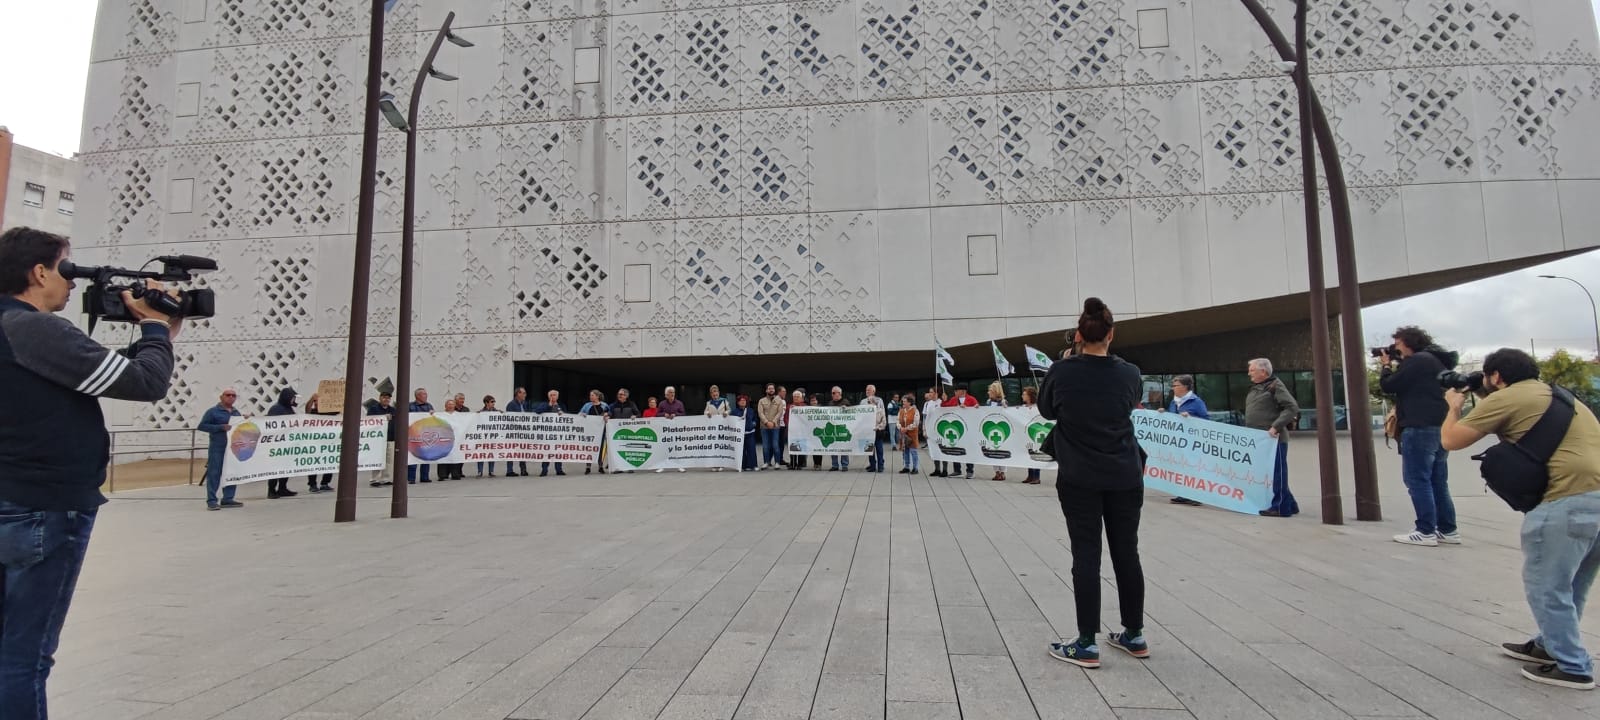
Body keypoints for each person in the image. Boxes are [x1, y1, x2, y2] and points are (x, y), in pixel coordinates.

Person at [0, 226, 178, 716]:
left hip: (12, 497)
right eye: (67, 268)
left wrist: (156, 337)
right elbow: (145, 383)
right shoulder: (32, 328)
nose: (73, 283)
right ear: (39, 272)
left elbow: (91, 372)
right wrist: (157, 331)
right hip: (42, 507)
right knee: (23, 657)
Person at [1442, 348, 1600, 691]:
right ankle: (1549, 644)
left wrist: (1454, 407)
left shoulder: (1509, 397)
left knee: (1546, 585)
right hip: (1595, 499)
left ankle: (1573, 666)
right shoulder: (1559, 396)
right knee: (1573, 584)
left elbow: (1451, 440)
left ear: (1496, 376)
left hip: (1565, 501)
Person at [1039, 298, 1148, 669]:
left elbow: (1046, 409)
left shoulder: (1062, 371)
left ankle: (1086, 642)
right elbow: (1130, 403)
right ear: (1111, 334)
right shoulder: (1130, 373)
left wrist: (1070, 361)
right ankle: (1134, 633)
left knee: (1086, 556)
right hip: (1125, 473)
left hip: (1080, 476)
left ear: (1079, 335)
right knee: (1126, 553)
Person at [1380, 326, 1461, 547]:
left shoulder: (1418, 361)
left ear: (1407, 343)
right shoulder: (1435, 360)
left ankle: (1425, 530)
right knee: (1438, 480)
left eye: (1397, 344)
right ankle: (1448, 529)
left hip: (1419, 426)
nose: (1395, 349)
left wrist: (1386, 366)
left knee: (1417, 479)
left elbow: (1389, 385)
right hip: (1440, 426)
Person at [1245, 359, 1299, 517]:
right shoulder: (1257, 387)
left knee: (1278, 473)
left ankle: (1281, 508)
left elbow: (1292, 407)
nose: (1249, 373)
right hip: (1261, 440)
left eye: (1252, 370)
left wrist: (1276, 426)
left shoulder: (1275, 385)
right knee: (1273, 473)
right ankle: (1291, 504)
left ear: (1263, 371)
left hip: (1274, 440)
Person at [200, 389, 246, 508]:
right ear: (221, 397)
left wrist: (245, 420)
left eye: (233, 395)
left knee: (232, 472)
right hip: (217, 447)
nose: (231, 397)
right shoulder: (212, 412)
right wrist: (220, 427)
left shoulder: (236, 413)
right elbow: (202, 426)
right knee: (214, 473)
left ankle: (228, 498)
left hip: (233, 448)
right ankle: (211, 500)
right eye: (228, 395)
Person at [1165, 375, 1207, 505]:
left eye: (1176, 385)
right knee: (1181, 467)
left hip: (1192, 441)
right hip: (1178, 441)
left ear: (1185, 387)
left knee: (1193, 468)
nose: (1173, 388)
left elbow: (1206, 420)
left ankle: (1197, 496)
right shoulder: (1173, 402)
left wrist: (1191, 417)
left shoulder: (1196, 402)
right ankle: (1183, 494)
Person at [264, 388, 301, 498]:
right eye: (292, 397)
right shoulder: (276, 409)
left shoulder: (288, 408)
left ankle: (282, 488)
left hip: (288, 444)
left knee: (286, 467)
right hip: (277, 445)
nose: (294, 400)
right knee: (275, 468)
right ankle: (271, 490)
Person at [944, 386, 979, 479]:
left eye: (957, 390)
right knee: (955, 448)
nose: (955, 392)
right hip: (956, 428)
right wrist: (944, 400)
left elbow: (977, 410)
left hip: (969, 429)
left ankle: (970, 471)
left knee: (968, 449)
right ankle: (957, 470)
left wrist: (969, 408)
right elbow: (944, 408)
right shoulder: (953, 399)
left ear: (963, 391)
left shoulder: (971, 399)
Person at [303, 393, 335, 493]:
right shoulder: (312, 413)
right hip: (315, 443)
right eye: (315, 402)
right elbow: (307, 410)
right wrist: (311, 399)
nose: (317, 404)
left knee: (329, 462)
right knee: (313, 464)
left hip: (327, 443)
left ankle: (325, 483)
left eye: (318, 401)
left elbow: (340, 409)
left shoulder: (329, 413)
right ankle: (312, 484)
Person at [365, 391, 396, 487]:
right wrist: (382, 417)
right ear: (380, 398)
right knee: (378, 458)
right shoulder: (373, 409)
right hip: (378, 438)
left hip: (390, 437)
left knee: (389, 459)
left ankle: (386, 478)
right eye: (384, 397)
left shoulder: (393, 409)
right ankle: (375, 479)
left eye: (388, 398)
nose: (386, 399)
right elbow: (369, 421)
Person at [408, 388, 435, 484]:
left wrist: (433, 414)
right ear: (418, 396)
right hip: (414, 435)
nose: (426, 396)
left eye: (426, 394)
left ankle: (425, 477)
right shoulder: (410, 406)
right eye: (424, 394)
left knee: (426, 456)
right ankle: (411, 478)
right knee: (413, 457)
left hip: (426, 435)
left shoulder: (429, 406)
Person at [538, 389, 567, 477]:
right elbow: (538, 411)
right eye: (551, 395)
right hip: (547, 433)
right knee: (546, 451)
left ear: (557, 396)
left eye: (554, 395)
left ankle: (559, 469)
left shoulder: (561, 405)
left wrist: (563, 414)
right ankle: (544, 470)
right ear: (548, 396)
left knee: (558, 451)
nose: (553, 397)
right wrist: (549, 405)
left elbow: (568, 417)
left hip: (558, 432)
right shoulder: (544, 404)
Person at [657, 387, 687, 473]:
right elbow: (657, 414)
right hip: (665, 429)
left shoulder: (679, 403)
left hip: (676, 429)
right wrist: (664, 414)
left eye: (673, 392)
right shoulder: (662, 404)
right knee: (664, 448)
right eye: (670, 392)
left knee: (677, 447)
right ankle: (662, 466)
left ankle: (679, 465)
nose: (672, 394)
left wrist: (676, 414)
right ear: (666, 395)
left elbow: (684, 414)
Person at [505, 387, 532, 477]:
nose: (525, 395)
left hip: (523, 431)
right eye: (523, 393)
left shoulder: (524, 404)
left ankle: (523, 470)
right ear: (518, 394)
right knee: (511, 450)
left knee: (522, 450)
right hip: (513, 431)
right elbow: (509, 418)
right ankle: (509, 471)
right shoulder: (511, 404)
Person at [580, 389, 608, 474]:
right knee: (589, 448)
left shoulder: (604, 405)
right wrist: (582, 414)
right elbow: (579, 413)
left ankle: (600, 466)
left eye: (592, 395)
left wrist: (607, 415)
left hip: (601, 430)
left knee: (600, 448)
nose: (590, 397)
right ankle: (588, 467)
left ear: (597, 396)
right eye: (590, 395)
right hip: (590, 430)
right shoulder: (587, 405)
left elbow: (610, 413)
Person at [757, 383, 784, 470]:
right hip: (764, 427)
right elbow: (760, 413)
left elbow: (780, 412)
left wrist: (773, 422)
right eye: (769, 389)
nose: (771, 390)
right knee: (765, 446)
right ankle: (766, 462)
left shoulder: (779, 400)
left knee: (775, 445)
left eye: (772, 389)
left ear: (774, 390)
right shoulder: (761, 401)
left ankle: (777, 462)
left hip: (775, 426)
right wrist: (766, 422)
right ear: (766, 390)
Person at [1019, 386, 1042, 485]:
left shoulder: (1037, 407)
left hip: (1035, 434)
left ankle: (1036, 476)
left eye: (1024, 394)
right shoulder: (1023, 408)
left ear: (1029, 396)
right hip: (1026, 434)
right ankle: (1030, 475)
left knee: (1035, 454)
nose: (1022, 396)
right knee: (1028, 453)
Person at [986, 382, 1008, 482]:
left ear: (996, 391)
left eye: (990, 390)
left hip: (1001, 429)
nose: (988, 392)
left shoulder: (1003, 402)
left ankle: (1002, 472)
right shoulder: (988, 402)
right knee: (993, 450)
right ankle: (996, 472)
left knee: (1001, 450)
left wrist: (1005, 407)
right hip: (991, 428)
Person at [863, 384, 887, 473]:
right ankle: (872, 465)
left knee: (879, 449)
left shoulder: (880, 410)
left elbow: (884, 422)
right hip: (868, 432)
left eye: (871, 402)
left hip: (877, 432)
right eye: (868, 402)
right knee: (869, 450)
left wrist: (877, 427)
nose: (870, 403)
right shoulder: (862, 402)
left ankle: (880, 466)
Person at [923, 388, 947, 477]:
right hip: (931, 429)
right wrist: (924, 429)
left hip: (941, 429)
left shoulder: (941, 402)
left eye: (931, 392)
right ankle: (937, 469)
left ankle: (945, 470)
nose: (929, 394)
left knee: (943, 449)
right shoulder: (928, 404)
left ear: (936, 393)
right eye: (929, 392)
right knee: (934, 449)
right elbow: (926, 417)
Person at [828, 387, 852, 472]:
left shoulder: (845, 402)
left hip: (842, 428)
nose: (834, 394)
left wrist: (846, 408)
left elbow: (852, 413)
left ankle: (844, 465)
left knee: (843, 446)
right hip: (832, 428)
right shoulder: (830, 403)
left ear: (840, 393)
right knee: (833, 446)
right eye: (832, 393)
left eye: (835, 392)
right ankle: (835, 465)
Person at [733, 394, 758, 471]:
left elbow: (755, 419)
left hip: (750, 433)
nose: (743, 402)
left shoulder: (750, 410)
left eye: (744, 400)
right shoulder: (734, 411)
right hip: (739, 434)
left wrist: (754, 424)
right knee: (741, 450)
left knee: (751, 449)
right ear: (738, 402)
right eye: (741, 401)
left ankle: (753, 465)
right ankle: (743, 466)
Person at [898, 393, 921, 475]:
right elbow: (898, 421)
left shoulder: (915, 410)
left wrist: (906, 428)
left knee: (913, 451)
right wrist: (900, 427)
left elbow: (916, 423)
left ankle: (915, 468)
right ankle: (906, 467)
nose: (903, 403)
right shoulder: (901, 411)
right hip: (904, 434)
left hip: (912, 434)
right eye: (903, 402)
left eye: (904, 402)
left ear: (909, 402)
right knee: (905, 451)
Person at [477, 394, 498, 477]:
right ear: (486, 403)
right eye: (492, 402)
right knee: (481, 454)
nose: (493, 403)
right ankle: (480, 471)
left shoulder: (496, 412)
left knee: (491, 453)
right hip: (483, 436)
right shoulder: (481, 412)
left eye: (494, 402)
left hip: (492, 436)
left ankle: (491, 471)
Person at [787, 389, 807, 470]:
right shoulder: (789, 407)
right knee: (792, 447)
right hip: (792, 430)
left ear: (801, 398)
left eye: (798, 397)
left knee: (801, 447)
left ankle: (800, 464)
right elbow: (786, 418)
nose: (796, 398)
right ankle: (792, 463)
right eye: (794, 397)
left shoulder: (805, 407)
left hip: (802, 431)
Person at [776, 384, 790, 468]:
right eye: (783, 391)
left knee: (781, 443)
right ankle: (772, 460)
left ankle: (780, 459)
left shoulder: (784, 401)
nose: (785, 393)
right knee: (775, 444)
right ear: (779, 392)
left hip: (783, 425)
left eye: (785, 391)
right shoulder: (775, 400)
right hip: (776, 425)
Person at [809, 394, 824, 469]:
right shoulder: (807, 409)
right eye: (812, 401)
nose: (813, 402)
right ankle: (815, 463)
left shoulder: (822, 409)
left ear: (817, 401)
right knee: (813, 448)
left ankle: (819, 464)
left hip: (820, 430)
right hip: (812, 431)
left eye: (814, 400)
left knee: (819, 448)